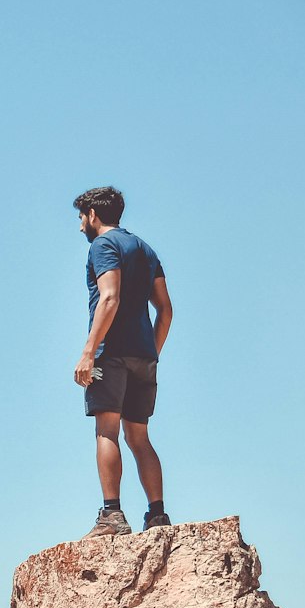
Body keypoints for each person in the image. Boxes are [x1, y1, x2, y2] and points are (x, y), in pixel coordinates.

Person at [73, 186, 173, 538]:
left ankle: (112, 515)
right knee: (139, 436)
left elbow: (109, 297)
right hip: (143, 355)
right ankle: (158, 515)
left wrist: (89, 351)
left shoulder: (103, 246)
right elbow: (166, 309)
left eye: (81, 218)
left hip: (111, 354)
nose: (80, 226)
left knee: (107, 430)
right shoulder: (145, 249)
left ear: (93, 215)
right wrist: (152, 351)